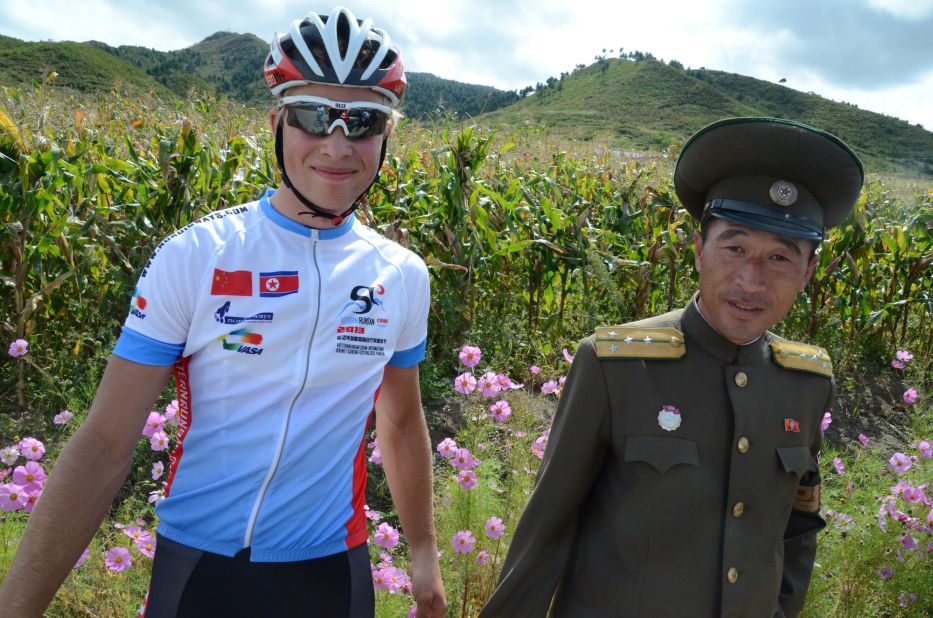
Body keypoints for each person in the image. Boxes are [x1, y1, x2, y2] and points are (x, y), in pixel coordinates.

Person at [0, 7, 446, 617]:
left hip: (333, 574)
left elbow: (399, 424)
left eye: (363, 121)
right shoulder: (198, 254)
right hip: (200, 569)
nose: (337, 145)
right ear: (276, 123)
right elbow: (105, 443)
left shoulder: (401, 274)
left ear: (385, 135)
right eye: (314, 116)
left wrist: (423, 552)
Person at [480, 117, 863, 617]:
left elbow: (798, 525)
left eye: (780, 259)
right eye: (736, 247)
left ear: (808, 272)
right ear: (700, 249)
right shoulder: (615, 366)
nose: (751, 280)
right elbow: (545, 536)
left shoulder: (806, 382)